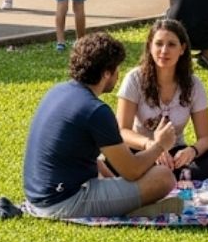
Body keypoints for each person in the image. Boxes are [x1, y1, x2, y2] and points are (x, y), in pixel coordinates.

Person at [22, 33, 182, 219]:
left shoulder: (58, 91)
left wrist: (116, 185)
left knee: (123, 179)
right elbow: (132, 171)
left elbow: (86, 159)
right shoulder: (95, 110)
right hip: (62, 202)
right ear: (106, 73)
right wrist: (160, 145)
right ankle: (133, 210)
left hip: (39, 196)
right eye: (116, 69)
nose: (117, 75)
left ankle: (126, 205)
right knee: (163, 177)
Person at [115, 19, 208, 179]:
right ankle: (176, 176)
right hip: (142, 151)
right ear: (150, 47)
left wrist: (191, 151)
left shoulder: (193, 84)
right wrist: (152, 145)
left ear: (182, 49)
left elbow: (206, 137)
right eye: (159, 44)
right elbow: (122, 131)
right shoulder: (134, 79)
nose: (164, 51)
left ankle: (166, 175)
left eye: (171, 45)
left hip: (175, 154)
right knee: (114, 162)